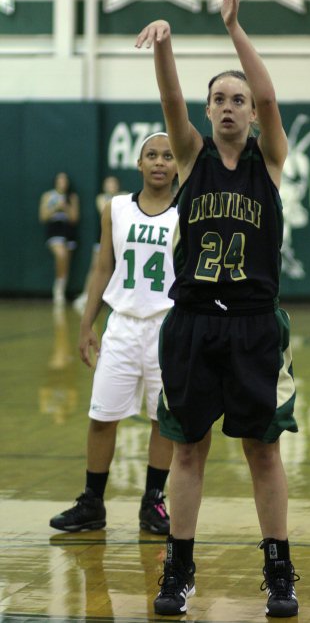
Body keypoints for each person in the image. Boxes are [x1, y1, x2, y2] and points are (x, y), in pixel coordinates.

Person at [135, 0, 299, 618]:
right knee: (189, 448)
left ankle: (279, 570)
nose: (231, 105)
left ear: (251, 113)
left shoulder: (271, 159)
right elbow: (172, 100)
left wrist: (234, 28)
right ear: (209, 112)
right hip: (195, 322)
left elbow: (268, 90)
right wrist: (166, 47)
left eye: (239, 99)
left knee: (263, 451)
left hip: (256, 325)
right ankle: (178, 568)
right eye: (220, 99)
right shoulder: (190, 156)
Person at [49, 133, 177, 534]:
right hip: (121, 324)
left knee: (164, 421)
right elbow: (103, 267)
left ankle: (152, 502)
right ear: (138, 164)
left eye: (168, 156)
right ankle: (92, 503)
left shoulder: (187, 210)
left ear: (178, 165)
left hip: (168, 327)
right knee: (102, 416)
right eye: (151, 155)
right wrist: (88, 323)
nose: (159, 162)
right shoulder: (116, 208)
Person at [73, 176, 125, 315]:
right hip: (104, 237)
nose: (111, 186)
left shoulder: (124, 198)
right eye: (108, 184)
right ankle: (86, 296)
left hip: (120, 237)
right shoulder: (102, 198)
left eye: (113, 183)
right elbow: (105, 209)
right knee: (95, 267)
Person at [39, 171, 80, 306]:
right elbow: (43, 217)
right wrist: (56, 208)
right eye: (60, 180)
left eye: (65, 180)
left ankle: (61, 290)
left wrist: (66, 207)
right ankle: (57, 289)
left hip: (68, 230)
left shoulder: (72, 197)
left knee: (66, 262)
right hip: (54, 229)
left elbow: (74, 218)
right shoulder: (48, 196)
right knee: (60, 255)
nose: (62, 183)